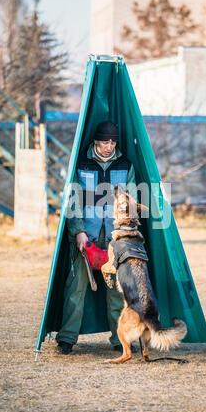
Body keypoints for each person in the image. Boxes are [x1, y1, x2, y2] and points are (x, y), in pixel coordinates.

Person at [55, 121, 137, 355]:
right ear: (95, 142)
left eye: (112, 142)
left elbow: (129, 202)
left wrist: (124, 235)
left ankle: (119, 340)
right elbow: (72, 200)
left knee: (116, 292)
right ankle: (67, 339)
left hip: (115, 238)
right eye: (104, 142)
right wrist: (78, 231)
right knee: (75, 290)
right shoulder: (81, 163)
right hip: (85, 237)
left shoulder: (125, 165)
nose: (109, 146)